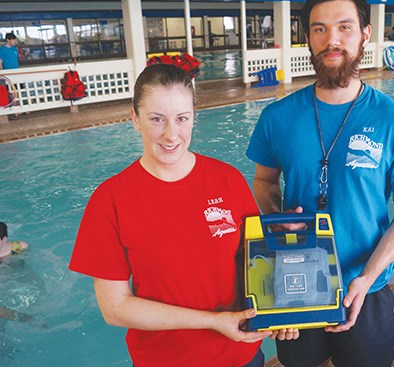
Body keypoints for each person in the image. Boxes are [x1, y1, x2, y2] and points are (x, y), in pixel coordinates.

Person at [246, 0, 394, 367]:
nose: (332, 40)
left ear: (365, 33)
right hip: (295, 283)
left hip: (367, 285)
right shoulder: (277, 118)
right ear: (308, 38)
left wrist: (367, 278)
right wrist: (277, 222)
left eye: (345, 27)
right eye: (319, 29)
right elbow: (264, 182)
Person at [69, 64, 296, 367]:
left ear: (194, 117)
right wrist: (213, 321)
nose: (170, 134)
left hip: (240, 354)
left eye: (181, 118)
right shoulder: (110, 200)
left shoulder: (227, 180)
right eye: (156, 119)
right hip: (164, 360)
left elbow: (254, 260)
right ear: (135, 118)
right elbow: (114, 308)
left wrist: (282, 309)